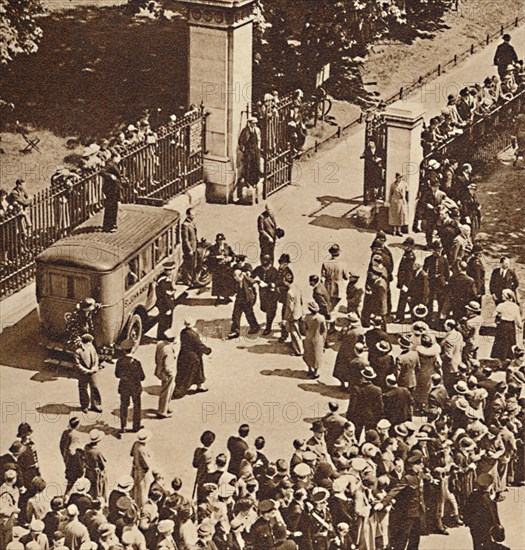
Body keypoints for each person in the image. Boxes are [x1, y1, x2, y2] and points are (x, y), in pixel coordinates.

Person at [174, 318, 212, 398]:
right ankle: (180, 391)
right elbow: (198, 345)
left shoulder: (183, 332)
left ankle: (198, 386)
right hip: (193, 356)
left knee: (184, 372)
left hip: (184, 354)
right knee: (191, 373)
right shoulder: (193, 334)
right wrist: (207, 350)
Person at [115, 339, 145, 435]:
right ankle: (136, 426)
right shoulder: (136, 363)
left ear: (123, 350)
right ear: (132, 349)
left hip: (124, 387)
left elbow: (117, 375)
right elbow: (142, 377)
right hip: (135, 387)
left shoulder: (119, 362)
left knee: (124, 406)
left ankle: (123, 426)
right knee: (137, 406)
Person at [464, 473, 501, 549]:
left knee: (477, 544)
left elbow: (466, 510)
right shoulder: (489, 501)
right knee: (486, 544)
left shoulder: (472, 496)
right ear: (490, 486)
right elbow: (494, 516)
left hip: (474, 527)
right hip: (486, 528)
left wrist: (468, 522)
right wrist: (497, 526)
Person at [491, 289, 523, 362]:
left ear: (506, 296)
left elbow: (493, 315)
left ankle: (500, 358)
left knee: (501, 342)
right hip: (511, 326)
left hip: (502, 325)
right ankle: (508, 358)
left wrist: (499, 315)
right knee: (510, 342)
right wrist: (520, 326)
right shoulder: (515, 306)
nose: (502, 296)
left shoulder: (501, 305)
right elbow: (518, 320)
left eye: (503, 295)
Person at [73, 333, 102, 414]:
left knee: (95, 387)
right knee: (83, 389)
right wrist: (86, 371)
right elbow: (77, 364)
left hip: (93, 372)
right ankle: (85, 406)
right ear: (85, 342)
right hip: (83, 374)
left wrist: (95, 368)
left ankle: (96, 405)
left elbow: (96, 359)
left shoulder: (92, 349)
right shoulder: (78, 352)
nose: (91, 344)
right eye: (89, 342)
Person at [228, 269, 261, 339]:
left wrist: (252, 299)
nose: (234, 278)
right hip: (239, 299)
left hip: (247, 300)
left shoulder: (248, 280)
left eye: (235, 277)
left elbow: (255, 285)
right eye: (234, 276)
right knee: (235, 315)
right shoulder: (235, 280)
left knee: (249, 314)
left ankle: (255, 327)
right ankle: (235, 331)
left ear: (241, 276)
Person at [253, 255, 280, 335]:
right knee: (263, 308)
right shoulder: (259, 268)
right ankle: (269, 322)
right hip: (263, 294)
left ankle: (268, 327)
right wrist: (255, 280)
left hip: (272, 295)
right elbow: (252, 275)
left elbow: (275, 283)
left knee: (270, 311)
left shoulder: (274, 271)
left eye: (267, 267)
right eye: (264, 267)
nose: (265, 268)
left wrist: (267, 284)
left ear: (270, 264)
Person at [130, 429, 157, 509]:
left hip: (135, 469)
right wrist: (150, 456)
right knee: (143, 491)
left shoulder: (135, 444)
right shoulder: (143, 449)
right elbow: (146, 465)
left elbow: (131, 454)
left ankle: (135, 504)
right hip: (142, 472)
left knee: (136, 489)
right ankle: (142, 507)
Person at [154, 328, 177, 419]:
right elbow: (167, 365)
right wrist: (171, 373)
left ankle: (166, 406)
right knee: (166, 391)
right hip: (167, 373)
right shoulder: (168, 350)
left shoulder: (160, 344)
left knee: (166, 390)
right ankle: (162, 411)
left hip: (160, 370)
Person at [208, 233, 235, 305]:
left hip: (226, 268)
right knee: (218, 283)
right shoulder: (213, 248)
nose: (220, 242)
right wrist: (217, 257)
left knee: (227, 282)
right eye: (219, 240)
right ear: (217, 241)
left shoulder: (227, 247)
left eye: (222, 240)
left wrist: (230, 258)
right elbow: (209, 258)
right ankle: (218, 298)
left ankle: (226, 297)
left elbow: (233, 255)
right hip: (217, 268)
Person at [303, 301, 327, 379]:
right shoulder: (321, 318)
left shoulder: (306, 317)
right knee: (317, 355)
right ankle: (316, 372)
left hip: (309, 336)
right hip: (318, 338)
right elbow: (324, 330)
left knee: (308, 353)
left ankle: (309, 369)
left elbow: (306, 328)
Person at [282, 272, 304, 356]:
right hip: (299, 312)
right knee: (297, 332)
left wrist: (286, 318)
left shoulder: (289, 292)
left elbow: (289, 307)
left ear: (285, 281)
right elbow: (301, 300)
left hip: (293, 315)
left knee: (295, 333)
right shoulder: (297, 288)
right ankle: (296, 347)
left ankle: (299, 351)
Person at [321, 244, 348, 312]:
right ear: (338, 253)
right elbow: (346, 277)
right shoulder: (342, 264)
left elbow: (322, 277)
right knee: (334, 306)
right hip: (338, 288)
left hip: (328, 286)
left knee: (328, 304)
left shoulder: (325, 263)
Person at [100, 152, 122, 232]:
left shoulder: (114, 164)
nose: (120, 159)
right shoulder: (110, 164)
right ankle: (108, 225)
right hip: (110, 189)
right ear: (115, 157)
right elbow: (102, 172)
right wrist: (110, 176)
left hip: (115, 188)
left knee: (114, 207)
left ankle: (112, 224)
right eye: (119, 157)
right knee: (110, 207)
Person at [238, 117, 262, 191]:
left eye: (255, 123)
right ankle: (247, 181)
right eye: (253, 123)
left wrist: (258, 148)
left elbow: (259, 139)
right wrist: (243, 148)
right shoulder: (245, 131)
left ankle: (255, 181)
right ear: (249, 123)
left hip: (255, 150)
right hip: (248, 151)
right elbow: (240, 141)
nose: (254, 124)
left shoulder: (257, 130)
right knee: (248, 166)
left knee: (256, 165)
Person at [395, 237, 416, 322]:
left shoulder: (410, 256)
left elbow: (409, 272)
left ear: (411, 246)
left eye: (407, 245)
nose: (404, 247)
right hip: (404, 280)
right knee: (405, 299)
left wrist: (405, 284)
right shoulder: (406, 254)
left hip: (406, 282)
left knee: (404, 299)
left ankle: (400, 317)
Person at [155, 261, 177, 340]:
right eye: (171, 269)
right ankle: (163, 337)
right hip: (165, 305)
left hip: (164, 304)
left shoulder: (163, 278)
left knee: (164, 321)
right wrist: (168, 307)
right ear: (168, 270)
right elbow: (165, 296)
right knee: (165, 322)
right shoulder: (163, 281)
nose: (172, 271)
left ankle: (162, 336)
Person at [83, 429, 107, 501]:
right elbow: (102, 465)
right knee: (98, 487)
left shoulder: (86, 447)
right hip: (96, 472)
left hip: (88, 470)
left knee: (90, 486)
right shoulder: (97, 452)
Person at [181, 207, 198, 287]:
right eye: (192, 215)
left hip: (194, 247)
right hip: (189, 249)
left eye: (194, 215)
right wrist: (190, 249)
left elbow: (194, 235)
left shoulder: (192, 223)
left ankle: (192, 279)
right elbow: (185, 239)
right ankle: (187, 280)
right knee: (188, 265)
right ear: (187, 215)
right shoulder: (185, 225)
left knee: (193, 264)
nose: (193, 216)